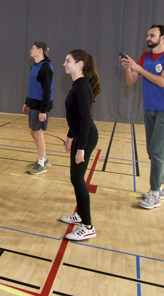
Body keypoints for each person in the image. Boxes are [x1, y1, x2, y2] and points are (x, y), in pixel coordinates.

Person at [120, 25, 164, 209]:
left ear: (162, 37)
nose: (148, 37)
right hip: (149, 108)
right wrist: (128, 67)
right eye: (147, 34)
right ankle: (159, 188)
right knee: (152, 150)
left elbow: (162, 81)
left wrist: (138, 67)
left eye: (152, 35)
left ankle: (155, 194)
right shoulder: (145, 57)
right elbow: (131, 81)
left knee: (157, 151)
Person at [59, 49, 100, 241]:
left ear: (79, 64)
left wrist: (81, 147)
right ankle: (80, 216)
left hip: (86, 136)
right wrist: (70, 136)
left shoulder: (82, 86)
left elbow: (85, 119)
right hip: (79, 135)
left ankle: (88, 225)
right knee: (75, 177)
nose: (65, 64)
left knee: (77, 179)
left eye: (68, 61)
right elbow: (73, 116)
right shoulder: (76, 84)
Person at [24, 42, 54, 175]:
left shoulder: (46, 67)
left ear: (40, 50)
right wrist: (27, 102)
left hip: (41, 106)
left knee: (38, 133)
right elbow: (32, 86)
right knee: (33, 131)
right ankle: (44, 158)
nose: (30, 50)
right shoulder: (34, 67)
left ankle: (42, 163)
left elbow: (47, 91)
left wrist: (43, 110)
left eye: (33, 48)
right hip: (34, 104)